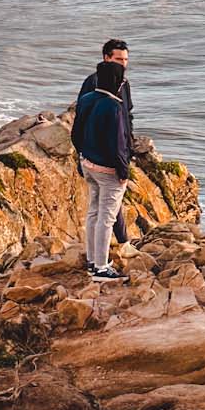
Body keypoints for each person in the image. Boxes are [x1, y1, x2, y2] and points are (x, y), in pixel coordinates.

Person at [71, 59, 131, 279]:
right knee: (107, 218)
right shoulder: (114, 106)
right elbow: (118, 145)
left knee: (93, 212)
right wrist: (123, 172)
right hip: (108, 171)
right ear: (117, 81)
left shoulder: (86, 99)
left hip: (88, 164)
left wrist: (83, 155)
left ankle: (91, 260)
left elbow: (75, 134)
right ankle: (101, 268)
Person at [82, 39, 133, 244]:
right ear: (106, 58)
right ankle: (121, 244)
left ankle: (110, 249)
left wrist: (129, 143)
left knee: (107, 205)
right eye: (118, 59)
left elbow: (128, 114)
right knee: (107, 207)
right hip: (102, 154)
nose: (123, 63)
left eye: (126, 59)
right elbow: (83, 115)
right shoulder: (94, 83)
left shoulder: (124, 83)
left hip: (120, 148)